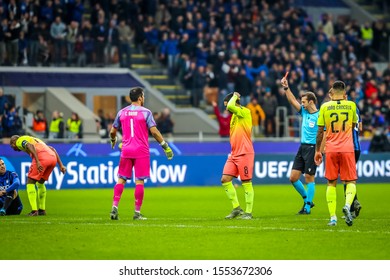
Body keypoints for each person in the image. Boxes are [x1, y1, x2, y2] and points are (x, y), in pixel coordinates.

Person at [109, 87, 173, 221]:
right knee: (139, 182)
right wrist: (165, 146)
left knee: (121, 179)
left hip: (126, 149)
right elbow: (154, 132)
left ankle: (114, 207)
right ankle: (137, 213)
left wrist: (113, 140)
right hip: (141, 151)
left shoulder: (122, 112)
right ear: (140, 98)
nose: (143, 98)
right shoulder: (146, 113)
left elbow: (113, 131)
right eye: (143, 96)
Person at [314, 81, 358, 227]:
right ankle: (347, 205)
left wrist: (318, 151)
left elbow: (320, 131)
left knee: (331, 182)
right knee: (350, 181)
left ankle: (333, 218)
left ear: (332, 91)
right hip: (347, 148)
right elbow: (354, 126)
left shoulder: (325, 107)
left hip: (331, 149)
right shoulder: (351, 105)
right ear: (344, 92)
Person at [281, 73, 319, 214]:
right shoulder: (304, 112)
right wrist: (286, 88)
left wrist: (320, 150)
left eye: (304, 102)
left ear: (311, 102)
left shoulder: (320, 115)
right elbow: (292, 101)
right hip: (302, 147)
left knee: (309, 178)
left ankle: (307, 208)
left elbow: (324, 134)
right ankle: (307, 200)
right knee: (293, 178)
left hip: (312, 148)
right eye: (301, 102)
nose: (301, 104)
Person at [9, 135, 67, 216]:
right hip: (52, 158)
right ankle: (42, 210)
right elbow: (52, 149)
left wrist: (38, 161)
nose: (12, 148)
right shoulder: (35, 139)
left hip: (41, 158)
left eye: (11, 145)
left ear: (13, 143)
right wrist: (61, 165)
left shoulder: (19, 141)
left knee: (30, 183)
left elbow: (30, 146)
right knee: (40, 183)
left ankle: (34, 211)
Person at [221, 92, 255, 220]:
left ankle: (248, 212)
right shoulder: (234, 116)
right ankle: (236, 208)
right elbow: (230, 106)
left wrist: (235, 95)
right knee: (225, 179)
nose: (226, 109)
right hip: (234, 154)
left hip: (245, 152)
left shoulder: (244, 112)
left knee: (246, 181)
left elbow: (230, 105)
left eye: (226, 105)